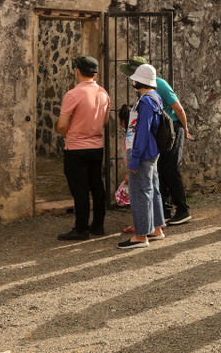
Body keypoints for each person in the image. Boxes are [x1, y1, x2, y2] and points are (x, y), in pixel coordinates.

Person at [119, 56, 193, 226]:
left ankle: (183, 209)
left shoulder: (159, 85)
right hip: (160, 128)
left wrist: (185, 129)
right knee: (160, 168)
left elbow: (179, 109)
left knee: (171, 167)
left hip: (173, 126)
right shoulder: (143, 90)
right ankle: (165, 210)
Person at [56, 56, 111, 240]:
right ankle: (98, 226)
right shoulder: (104, 93)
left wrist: (70, 135)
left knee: (80, 189)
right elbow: (104, 121)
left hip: (76, 148)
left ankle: (81, 229)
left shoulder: (72, 94)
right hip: (96, 146)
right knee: (97, 186)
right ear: (95, 73)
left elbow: (62, 125)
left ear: (77, 72)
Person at [119, 63, 166, 249]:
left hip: (143, 152)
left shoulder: (146, 101)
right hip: (150, 151)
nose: (133, 81)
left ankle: (141, 236)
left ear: (141, 81)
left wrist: (135, 158)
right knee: (151, 188)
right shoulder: (155, 97)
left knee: (139, 192)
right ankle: (156, 228)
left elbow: (142, 132)